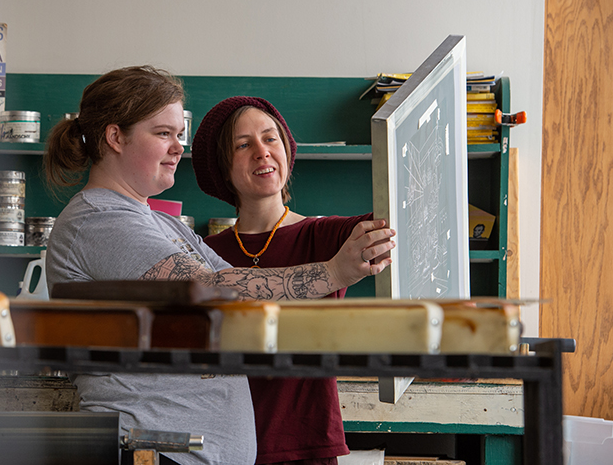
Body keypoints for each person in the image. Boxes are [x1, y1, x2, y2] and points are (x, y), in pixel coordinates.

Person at [44, 66, 395, 465]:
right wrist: (333, 274)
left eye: (179, 134)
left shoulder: (163, 224)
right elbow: (213, 289)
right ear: (115, 137)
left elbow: (240, 289)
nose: (178, 147)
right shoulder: (99, 220)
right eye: (163, 133)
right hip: (150, 453)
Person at [192, 96, 386, 465]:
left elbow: (398, 216)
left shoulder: (327, 235)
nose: (262, 152)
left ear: (286, 150)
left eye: (271, 138)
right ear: (223, 167)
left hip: (305, 444)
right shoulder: (203, 253)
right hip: (222, 446)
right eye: (243, 144)